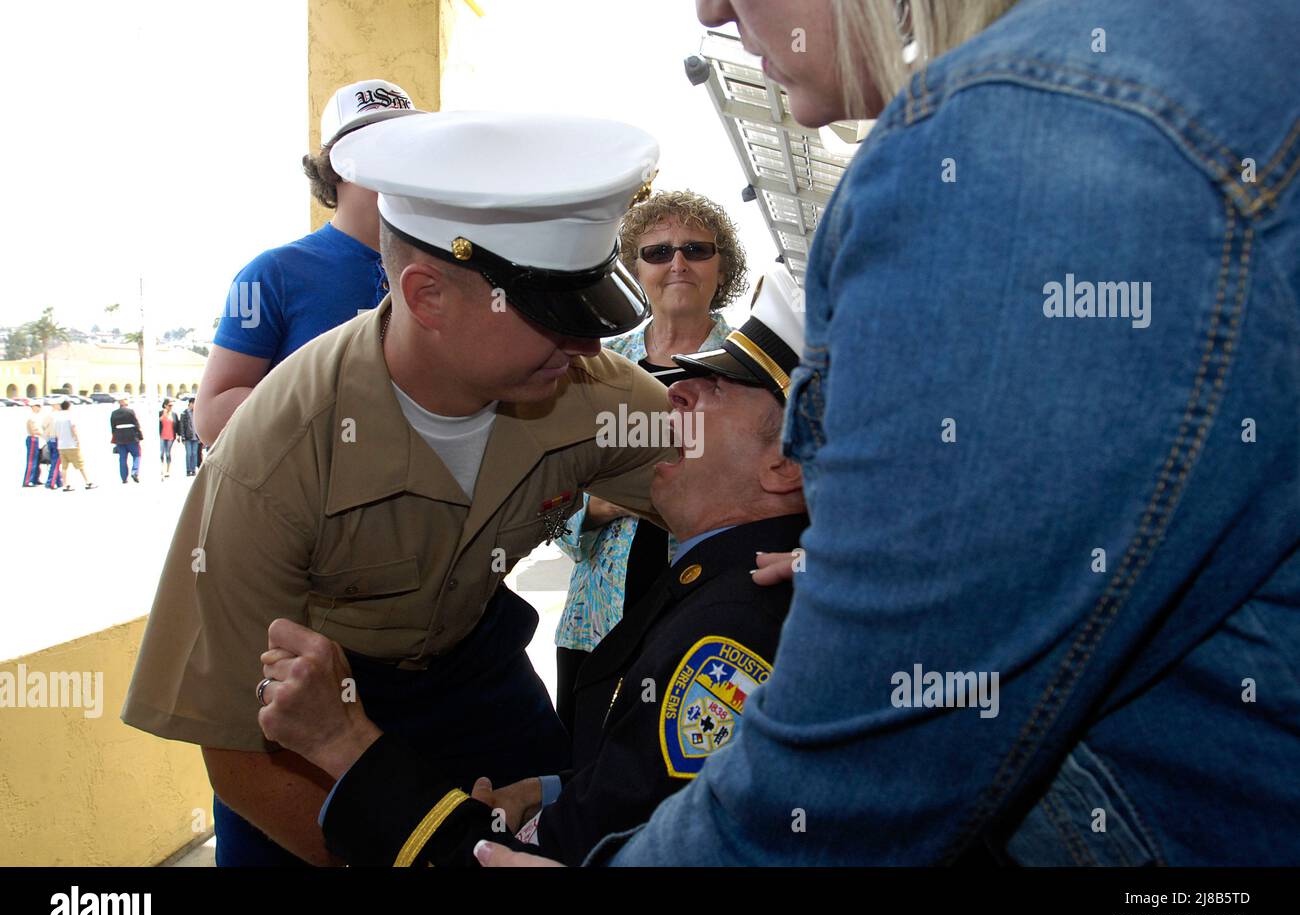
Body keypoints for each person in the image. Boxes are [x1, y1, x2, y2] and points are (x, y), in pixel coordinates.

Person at [479, 0, 1300, 868]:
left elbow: (874, 757)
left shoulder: (1019, 136)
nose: (712, 9)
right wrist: (900, 558)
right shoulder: (1165, 70)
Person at [121, 110, 675, 867]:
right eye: (555, 315)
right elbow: (237, 745)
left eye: (590, 312)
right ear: (427, 296)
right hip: (307, 711)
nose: (587, 345)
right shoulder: (275, 456)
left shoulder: (590, 391)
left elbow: (739, 485)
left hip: (476, 675)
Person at [257, 273, 807, 867]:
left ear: (784, 464)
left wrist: (341, 741)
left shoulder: (731, 635)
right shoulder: (736, 582)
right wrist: (548, 794)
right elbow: (644, 793)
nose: (675, 393)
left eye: (715, 389)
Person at [552, 189, 745, 731]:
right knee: (582, 773)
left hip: (709, 620)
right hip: (596, 623)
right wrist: (598, 507)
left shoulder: (756, 371)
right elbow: (548, 499)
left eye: (696, 249)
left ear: (722, 263)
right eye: (657, 252)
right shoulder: (593, 370)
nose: (677, 263)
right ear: (634, 269)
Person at [195, 80, 423, 445]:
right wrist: (346, 406)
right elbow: (212, 416)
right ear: (337, 164)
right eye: (381, 144)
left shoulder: (447, 269)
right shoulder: (268, 274)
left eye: (409, 145)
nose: (401, 161)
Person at [51, 400, 94, 492]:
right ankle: (88, 482)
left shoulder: (57, 417)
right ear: (69, 406)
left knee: (64, 467)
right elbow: (73, 428)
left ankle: (65, 485)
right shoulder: (70, 416)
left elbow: (55, 432)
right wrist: (77, 440)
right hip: (71, 444)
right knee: (80, 464)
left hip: (61, 445)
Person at [110, 398, 144, 484]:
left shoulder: (114, 413)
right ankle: (134, 472)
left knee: (122, 458)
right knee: (137, 455)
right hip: (131, 437)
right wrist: (140, 436)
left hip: (119, 438)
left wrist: (115, 438)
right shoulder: (130, 412)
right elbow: (136, 425)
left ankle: (124, 478)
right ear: (125, 403)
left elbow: (113, 428)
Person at [176, 398, 201, 476]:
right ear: (190, 403)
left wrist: (200, 436)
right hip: (188, 437)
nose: (194, 405)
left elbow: (199, 425)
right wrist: (182, 436)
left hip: (195, 437)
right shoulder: (184, 413)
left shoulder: (197, 413)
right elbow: (182, 426)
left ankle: (193, 470)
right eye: (193, 403)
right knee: (189, 454)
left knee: (194, 454)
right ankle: (188, 469)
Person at [41, 401, 61, 490]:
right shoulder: (57, 415)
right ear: (55, 405)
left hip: (50, 438)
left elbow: (43, 426)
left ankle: (58, 481)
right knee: (56, 461)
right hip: (55, 438)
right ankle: (51, 482)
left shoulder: (49, 415)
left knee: (54, 459)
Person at [22, 402, 43, 486]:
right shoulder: (31, 417)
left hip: (36, 439)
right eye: (38, 406)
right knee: (32, 461)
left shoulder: (35, 417)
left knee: (37, 460)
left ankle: (35, 478)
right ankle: (28, 481)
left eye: (40, 406)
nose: (39, 408)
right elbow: (32, 430)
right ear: (33, 407)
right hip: (32, 439)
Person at [158, 400, 177, 479]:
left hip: (170, 436)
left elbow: (177, 424)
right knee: (161, 453)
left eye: (172, 405)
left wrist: (179, 435)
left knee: (168, 453)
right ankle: (161, 469)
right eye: (169, 405)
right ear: (165, 405)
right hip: (162, 436)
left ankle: (168, 470)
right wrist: (164, 414)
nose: (171, 407)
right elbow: (158, 421)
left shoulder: (174, 414)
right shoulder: (160, 413)